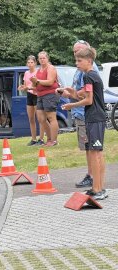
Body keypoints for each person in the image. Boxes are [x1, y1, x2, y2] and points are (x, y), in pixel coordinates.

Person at [61, 47, 107, 200]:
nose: (77, 63)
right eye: (76, 60)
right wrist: (71, 93)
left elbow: (88, 100)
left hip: (95, 117)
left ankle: (98, 189)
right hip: (94, 117)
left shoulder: (89, 76)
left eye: (79, 61)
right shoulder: (91, 75)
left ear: (89, 61)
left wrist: (70, 105)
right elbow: (85, 95)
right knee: (97, 152)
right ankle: (98, 188)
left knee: (96, 153)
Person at [57, 40, 99, 188]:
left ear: (87, 54)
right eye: (74, 52)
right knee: (88, 147)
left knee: (92, 148)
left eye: (79, 53)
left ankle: (94, 178)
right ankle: (92, 177)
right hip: (81, 113)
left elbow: (86, 96)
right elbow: (79, 91)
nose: (76, 57)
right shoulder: (81, 69)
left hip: (87, 113)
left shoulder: (89, 72)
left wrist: (70, 98)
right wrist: (69, 91)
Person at [30, 51, 59, 146]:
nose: (42, 60)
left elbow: (50, 82)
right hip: (40, 95)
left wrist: (37, 81)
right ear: (38, 60)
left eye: (44, 58)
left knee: (51, 117)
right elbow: (36, 84)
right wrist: (33, 82)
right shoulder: (39, 70)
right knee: (41, 119)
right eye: (40, 58)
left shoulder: (50, 68)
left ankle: (54, 140)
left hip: (50, 94)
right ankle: (49, 138)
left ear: (47, 59)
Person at [18, 55, 45, 146]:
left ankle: (41, 138)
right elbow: (26, 85)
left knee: (40, 118)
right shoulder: (26, 73)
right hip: (29, 95)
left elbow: (38, 86)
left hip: (37, 95)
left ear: (35, 63)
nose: (30, 64)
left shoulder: (37, 72)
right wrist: (23, 87)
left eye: (32, 62)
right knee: (31, 118)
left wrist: (29, 87)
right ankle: (33, 139)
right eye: (28, 62)